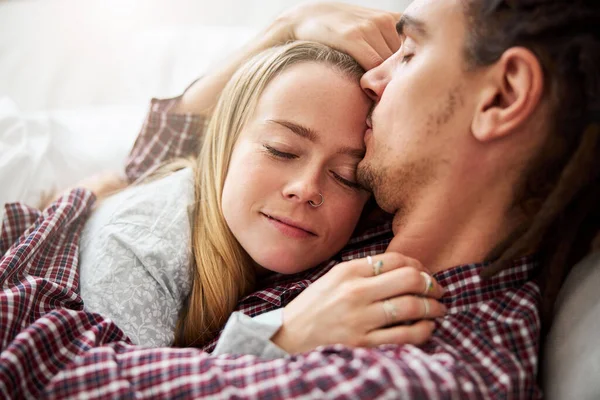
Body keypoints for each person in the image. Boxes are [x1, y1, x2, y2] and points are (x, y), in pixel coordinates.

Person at [0, 1, 597, 399]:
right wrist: (292, 28)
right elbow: (179, 162)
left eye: (411, 54)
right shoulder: (379, 224)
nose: (373, 78)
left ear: (503, 95)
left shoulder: (409, 375)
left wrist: (271, 343)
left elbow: (32, 373)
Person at [76, 40, 441, 349]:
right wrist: (279, 340)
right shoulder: (136, 246)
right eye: (282, 150)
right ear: (225, 142)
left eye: (347, 177)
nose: (306, 189)